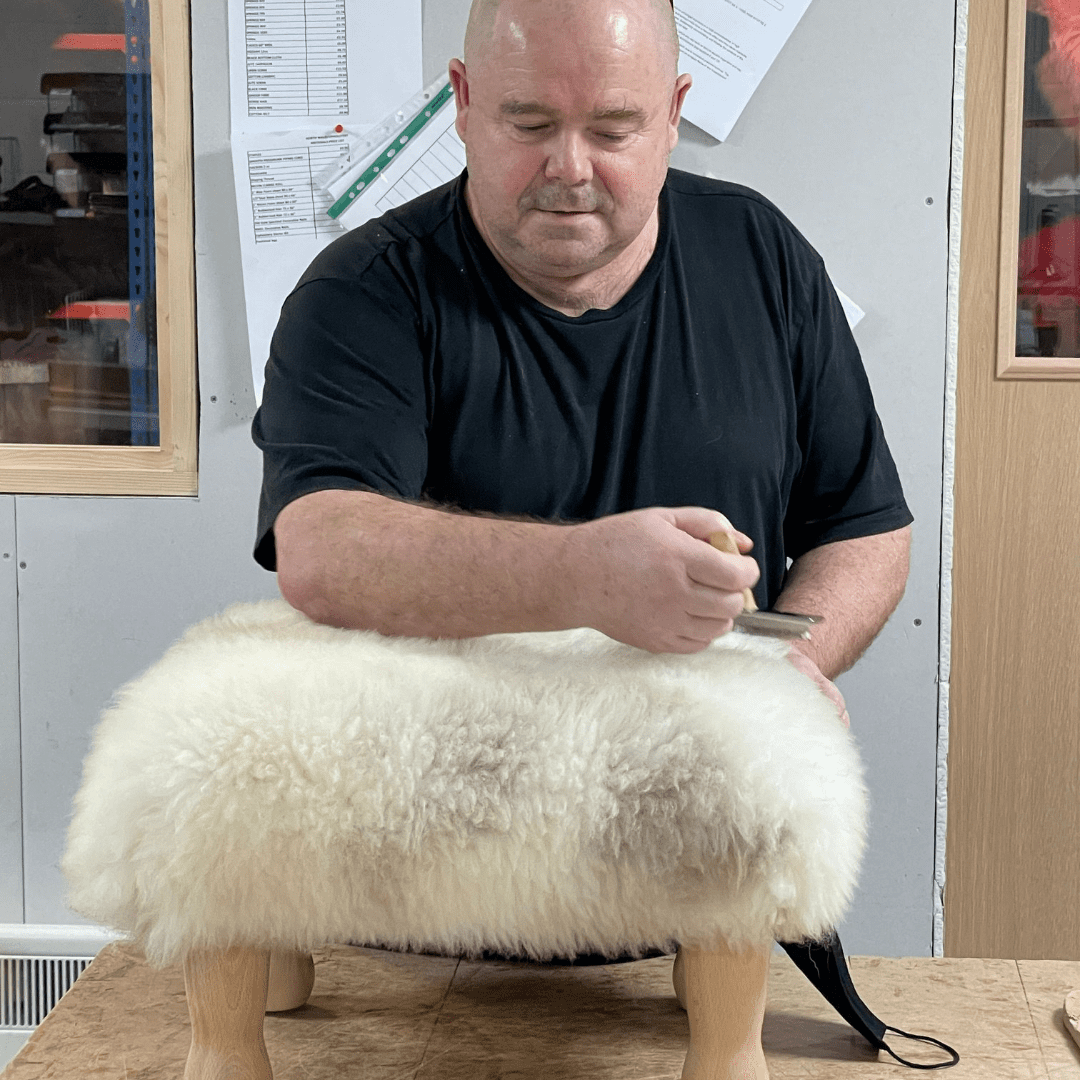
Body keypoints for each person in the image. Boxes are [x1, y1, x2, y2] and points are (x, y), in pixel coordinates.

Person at [251, 0, 912, 1074]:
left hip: (694, 927)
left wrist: (787, 670)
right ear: (463, 103)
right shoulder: (362, 291)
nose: (569, 168)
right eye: (528, 123)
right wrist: (588, 575)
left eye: (612, 127)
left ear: (674, 113)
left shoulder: (764, 257)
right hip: (417, 932)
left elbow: (866, 528)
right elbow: (323, 549)